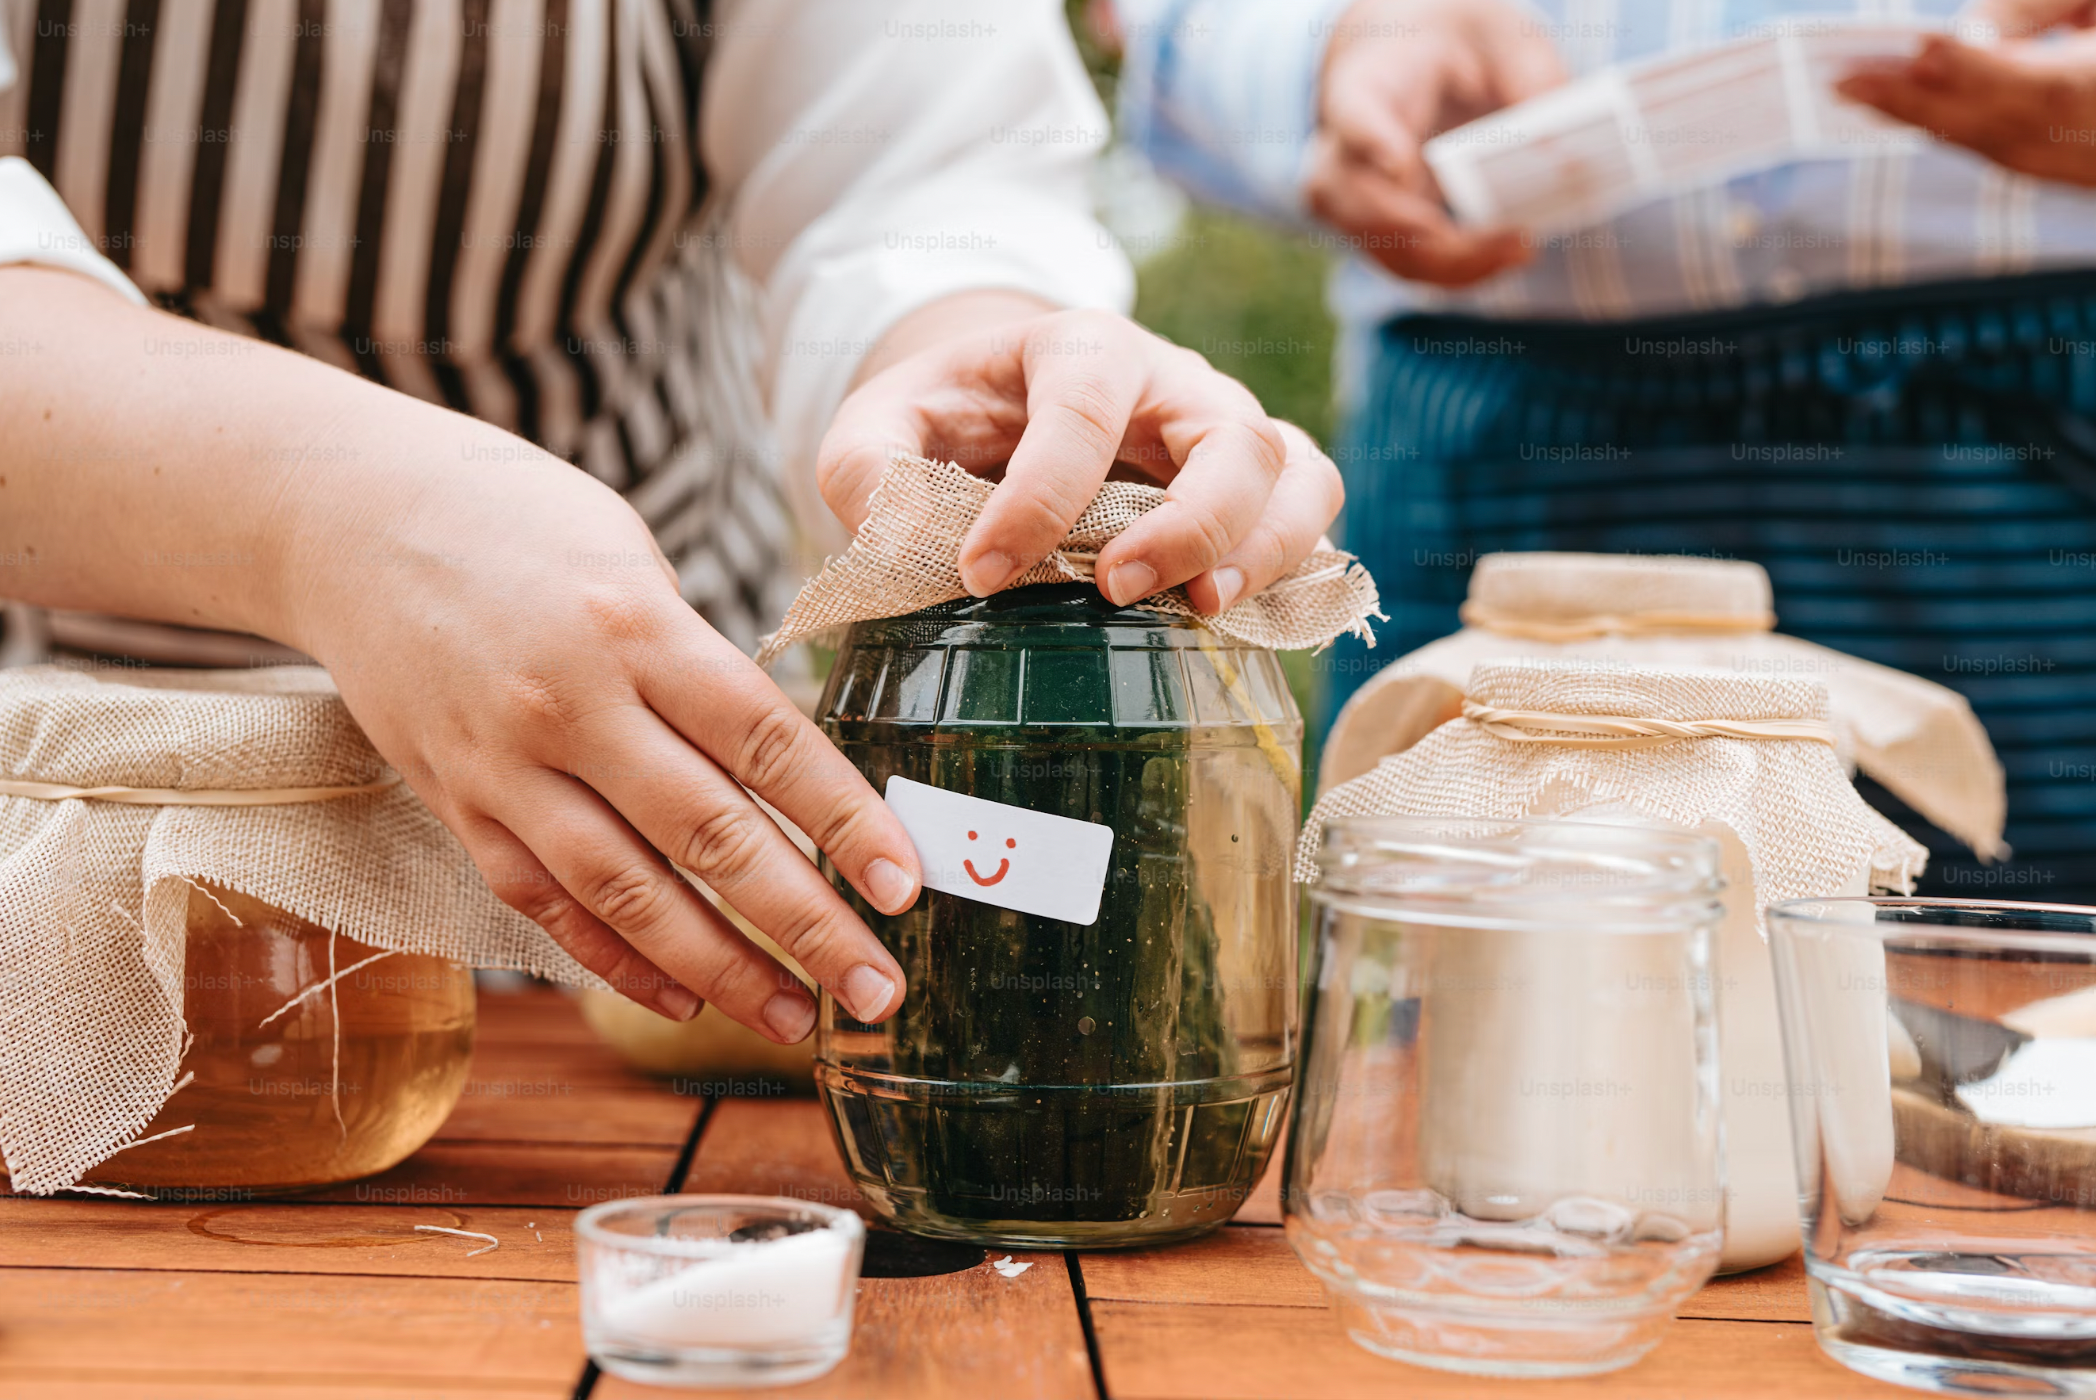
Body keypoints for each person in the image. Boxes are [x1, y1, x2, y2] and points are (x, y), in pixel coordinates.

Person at [0, 0, 1343, 1041]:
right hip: (39, 864)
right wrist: (326, 510)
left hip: (634, 866)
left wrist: (992, 362)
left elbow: (914, 161)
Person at [1112, 0, 2096, 900]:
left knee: (2037, 1020)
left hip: (2031, 446)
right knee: (1447, 1008)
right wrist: (1329, 50)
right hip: (1504, 446)